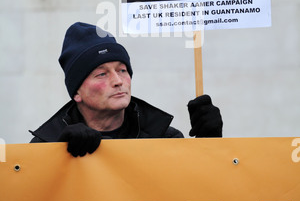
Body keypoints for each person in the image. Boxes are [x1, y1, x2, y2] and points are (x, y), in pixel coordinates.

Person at [30, 22, 223, 156]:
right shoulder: (44, 145)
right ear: (76, 93)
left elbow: (199, 195)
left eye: (122, 70)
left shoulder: (165, 138)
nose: (118, 81)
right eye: (101, 74)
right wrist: (57, 153)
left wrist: (209, 145)